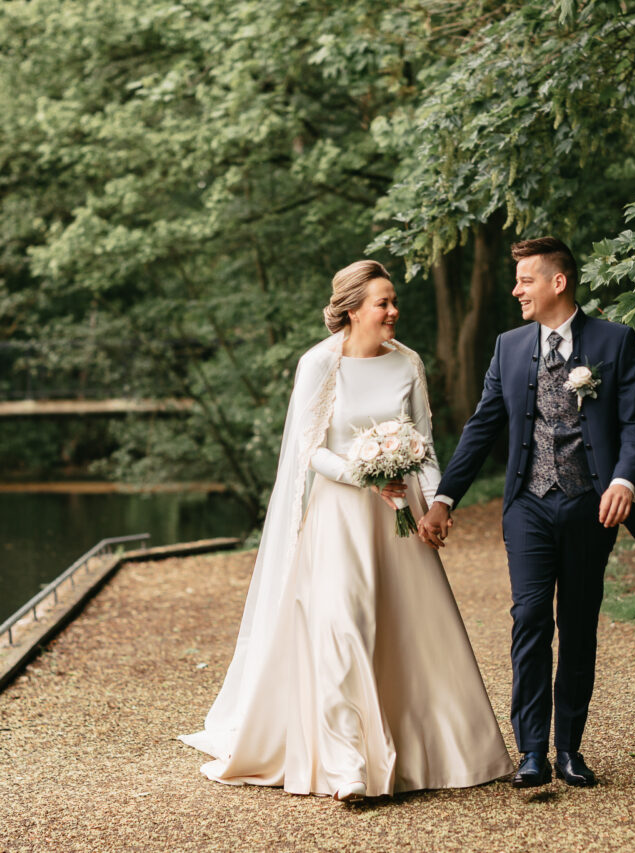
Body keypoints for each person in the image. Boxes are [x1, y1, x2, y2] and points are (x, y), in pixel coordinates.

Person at [180, 260, 512, 802]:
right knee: (343, 626)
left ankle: (434, 749)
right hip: (340, 517)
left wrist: (435, 507)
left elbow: (423, 445)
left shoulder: (408, 363)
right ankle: (346, 767)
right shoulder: (318, 364)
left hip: (399, 520)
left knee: (411, 631)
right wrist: (363, 473)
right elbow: (308, 450)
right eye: (383, 302)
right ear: (353, 309)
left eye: (393, 300)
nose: (393, 311)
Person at [418, 237, 635, 789]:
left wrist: (624, 479)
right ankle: (531, 752)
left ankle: (569, 749)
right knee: (529, 619)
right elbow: (482, 427)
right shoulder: (508, 346)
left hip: (589, 508)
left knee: (577, 625)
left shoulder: (614, 341)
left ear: (558, 282)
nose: (515, 289)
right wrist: (444, 498)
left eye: (525, 279)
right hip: (527, 506)